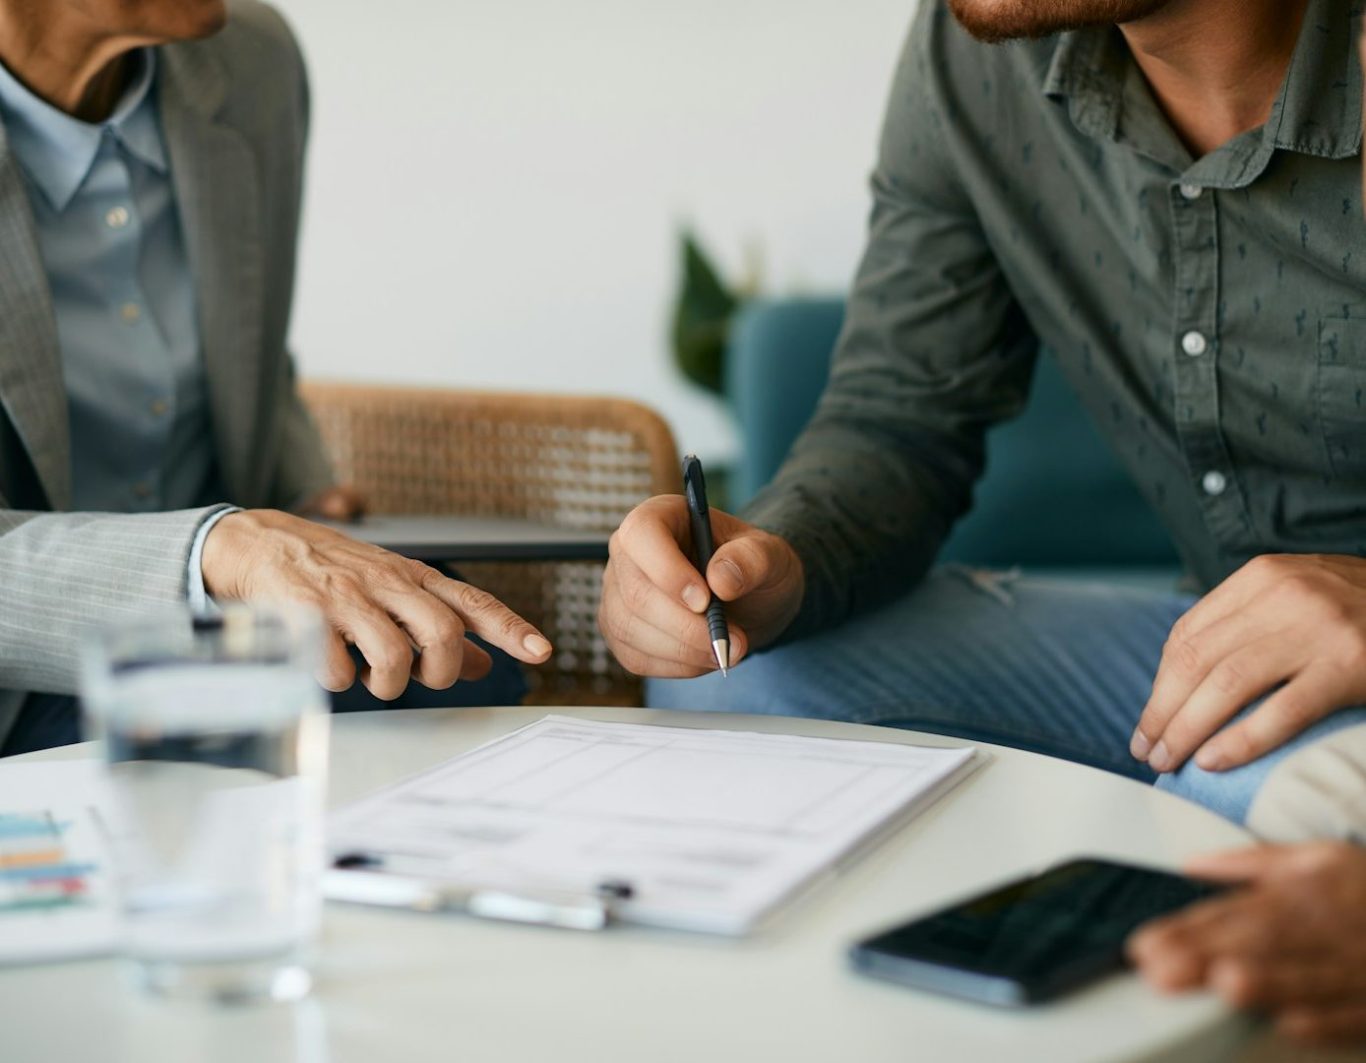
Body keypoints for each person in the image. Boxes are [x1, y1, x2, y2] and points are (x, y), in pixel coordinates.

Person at [599, 0, 1366, 1043]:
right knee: (742, 680)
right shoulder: (976, 53)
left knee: (1273, 803)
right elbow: (900, 416)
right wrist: (769, 560)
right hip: (1206, 644)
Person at [0, 0, 550, 755]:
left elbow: (254, 352)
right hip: (24, 679)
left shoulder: (251, 60)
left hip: (240, 626)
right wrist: (218, 551)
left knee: (464, 665)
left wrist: (300, 497)